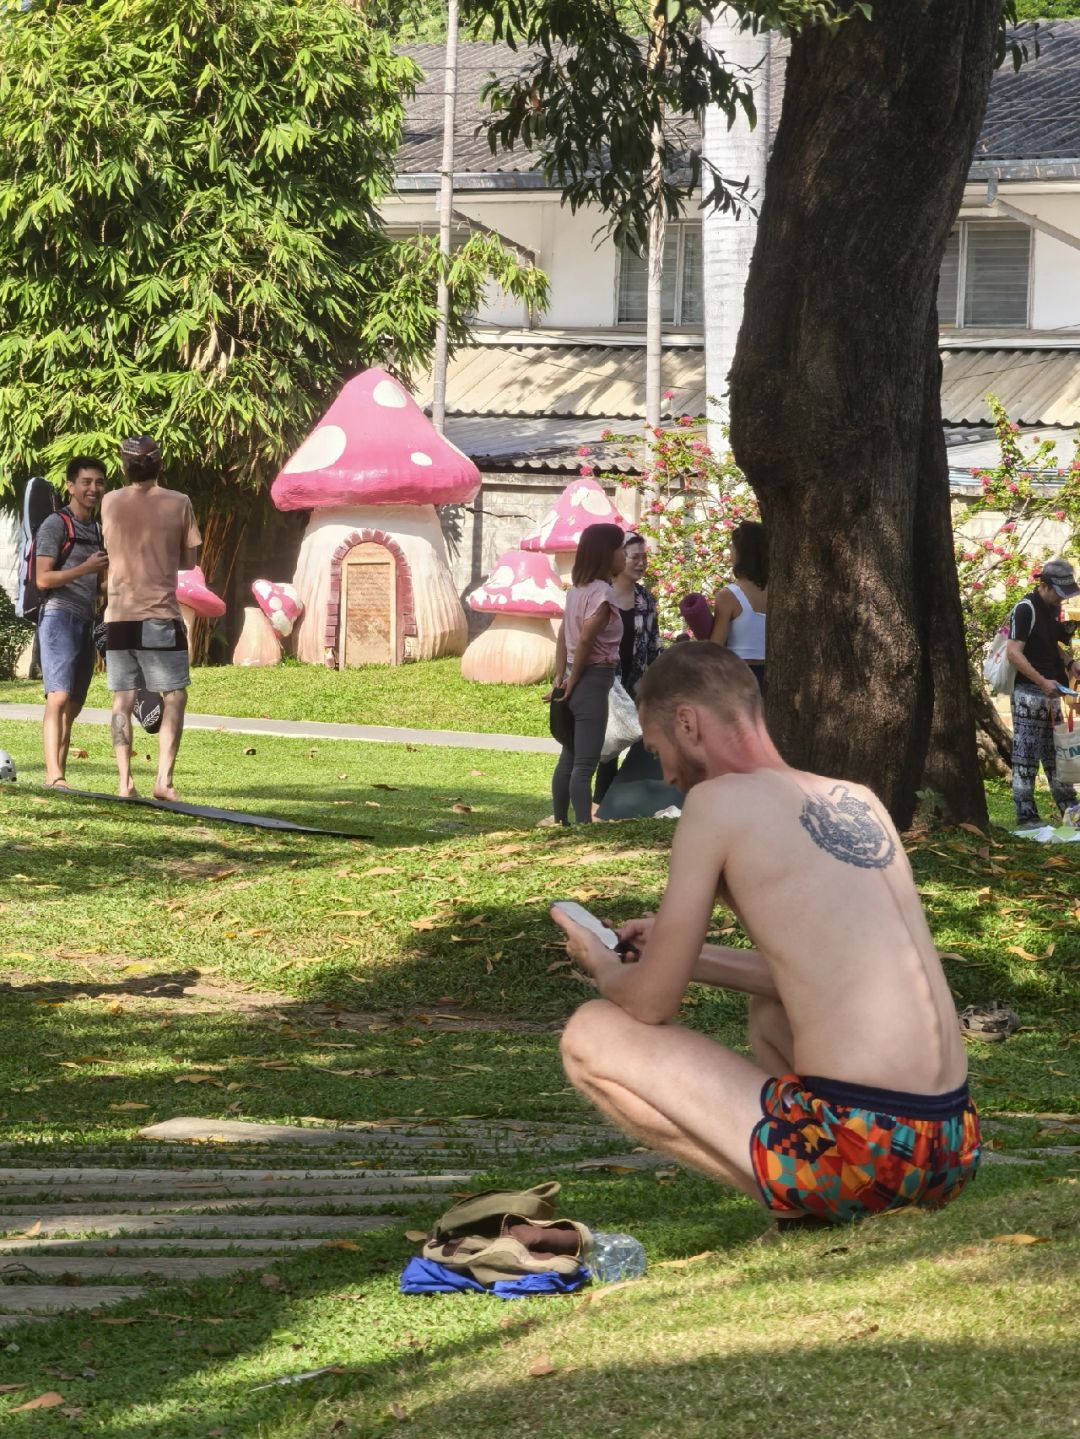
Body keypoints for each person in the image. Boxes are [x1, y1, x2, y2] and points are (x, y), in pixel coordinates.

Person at [552, 643, 980, 1227]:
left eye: (656, 751)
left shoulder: (715, 803)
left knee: (589, 1035)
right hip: (950, 1147)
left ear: (687, 723)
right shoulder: (860, 800)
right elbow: (814, 972)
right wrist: (688, 955)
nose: (668, 774)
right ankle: (825, 1195)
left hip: (862, 1152)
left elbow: (651, 1002)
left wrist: (600, 961)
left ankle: (810, 1211)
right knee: (771, 1005)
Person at [101, 435, 201, 801]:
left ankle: (125, 782)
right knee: (174, 695)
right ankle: (164, 780)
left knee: (122, 700)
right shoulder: (179, 502)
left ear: (124, 467)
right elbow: (189, 561)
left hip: (118, 617)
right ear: (159, 465)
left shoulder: (109, 502)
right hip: (160, 614)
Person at [34, 457, 108, 787]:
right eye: (86, 482)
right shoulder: (55, 524)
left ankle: (60, 776)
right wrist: (86, 569)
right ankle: (54, 776)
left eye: (99, 483)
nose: (93, 489)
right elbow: (43, 579)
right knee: (58, 698)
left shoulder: (97, 529)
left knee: (74, 707)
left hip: (87, 621)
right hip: (58, 617)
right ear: (70, 486)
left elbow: (100, 582)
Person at [550, 523, 626, 825]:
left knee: (569, 756)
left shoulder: (575, 591)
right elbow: (585, 639)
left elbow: (563, 637)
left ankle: (561, 821)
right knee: (585, 764)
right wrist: (575, 680)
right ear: (606, 554)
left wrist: (561, 676)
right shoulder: (603, 593)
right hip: (591, 680)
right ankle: (583, 826)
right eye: (621, 548)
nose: (624, 554)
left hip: (572, 678)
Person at [1005, 557, 1080, 828]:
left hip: (1051, 692)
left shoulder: (1050, 609)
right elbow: (1013, 653)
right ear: (1045, 585)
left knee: (1056, 752)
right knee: (1026, 755)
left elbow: (1049, 643)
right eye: (1059, 593)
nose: (1062, 600)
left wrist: (1069, 663)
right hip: (1029, 692)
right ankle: (1026, 815)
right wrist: (1040, 681)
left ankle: (1070, 809)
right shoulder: (1025, 609)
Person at [593, 532, 661, 804]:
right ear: (619, 559)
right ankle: (599, 806)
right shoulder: (599, 593)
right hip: (605, 683)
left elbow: (653, 645)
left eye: (645, 557)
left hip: (636, 684)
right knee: (606, 749)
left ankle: (623, 804)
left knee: (639, 745)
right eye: (635, 557)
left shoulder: (646, 598)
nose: (642, 563)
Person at [710, 520, 768, 690]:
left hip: (737, 675)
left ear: (741, 553)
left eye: (732, 548)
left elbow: (715, 647)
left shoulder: (728, 595)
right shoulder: (778, 591)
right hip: (772, 674)